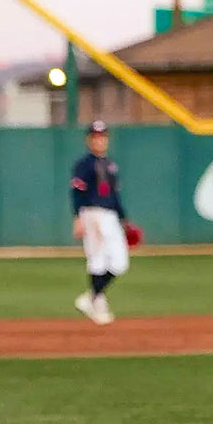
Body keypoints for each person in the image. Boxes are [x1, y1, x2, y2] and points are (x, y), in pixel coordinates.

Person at [70, 120, 128, 325]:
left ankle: (92, 297)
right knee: (97, 258)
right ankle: (97, 301)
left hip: (111, 215)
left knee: (120, 263)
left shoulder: (110, 164)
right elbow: (77, 192)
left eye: (102, 136)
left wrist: (124, 219)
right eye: (95, 137)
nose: (99, 140)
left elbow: (115, 195)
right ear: (89, 140)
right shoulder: (84, 164)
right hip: (92, 212)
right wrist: (77, 217)